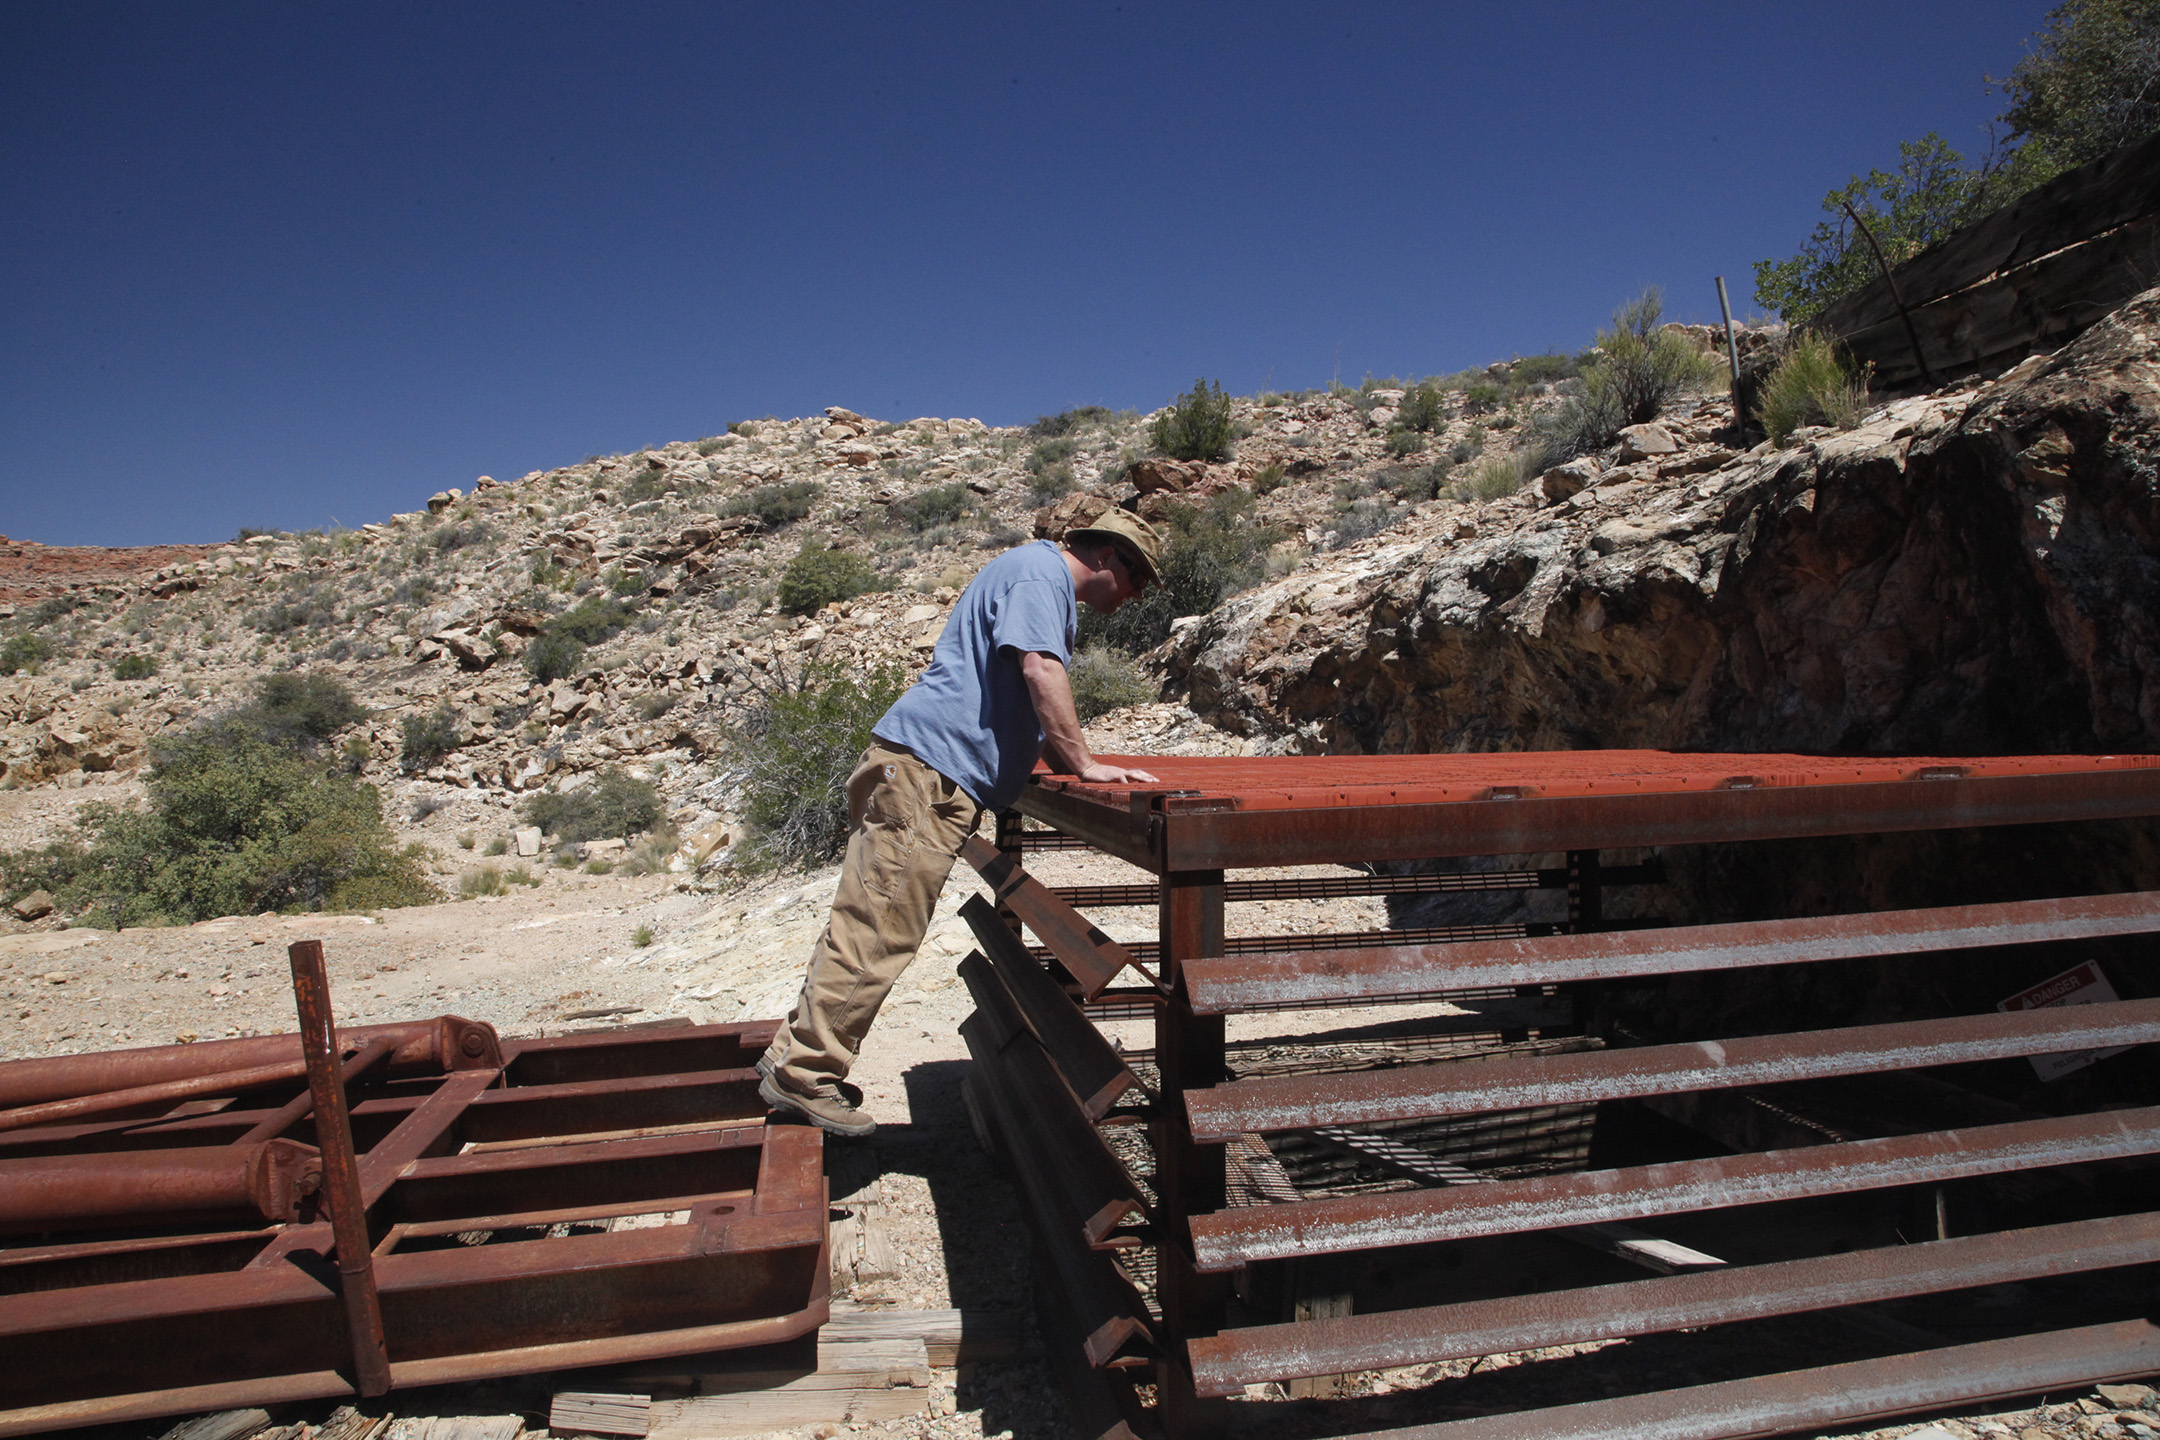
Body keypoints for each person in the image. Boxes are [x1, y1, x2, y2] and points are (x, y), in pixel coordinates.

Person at [756, 509, 1166, 1135]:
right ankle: (805, 1074)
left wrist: (1074, 761)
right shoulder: (1042, 577)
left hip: (916, 768)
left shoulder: (1030, 573)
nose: (1136, 596)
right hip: (929, 777)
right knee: (880, 927)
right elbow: (1039, 670)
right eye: (1138, 579)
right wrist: (1083, 763)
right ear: (1110, 556)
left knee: (865, 916)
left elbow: (1020, 688)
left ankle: (793, 1054)